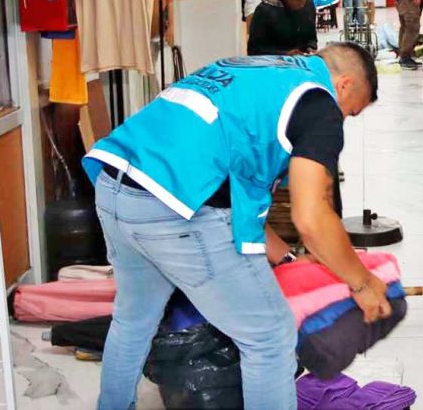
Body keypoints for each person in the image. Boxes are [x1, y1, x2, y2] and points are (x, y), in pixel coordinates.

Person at [83, 43, 392, 410]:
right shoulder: (319, 103)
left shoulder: (256, 69)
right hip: (175, 208)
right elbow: (311, 217)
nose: (343, 120)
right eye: (350, 112)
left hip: (116, 187)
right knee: (270, 339)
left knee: (134, 320)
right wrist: (362, 282)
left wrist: (290, 261)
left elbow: (239, 193)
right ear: (343, 85)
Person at [247, 0, 318, 56]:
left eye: (305, 0)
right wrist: (284, 54)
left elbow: (311, 37)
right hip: (273, 65)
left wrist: (311, 47)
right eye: (298, 0)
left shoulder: (308, 5)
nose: (302, 5)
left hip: (302, 63)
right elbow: (254, 50)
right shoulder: (264, 10)